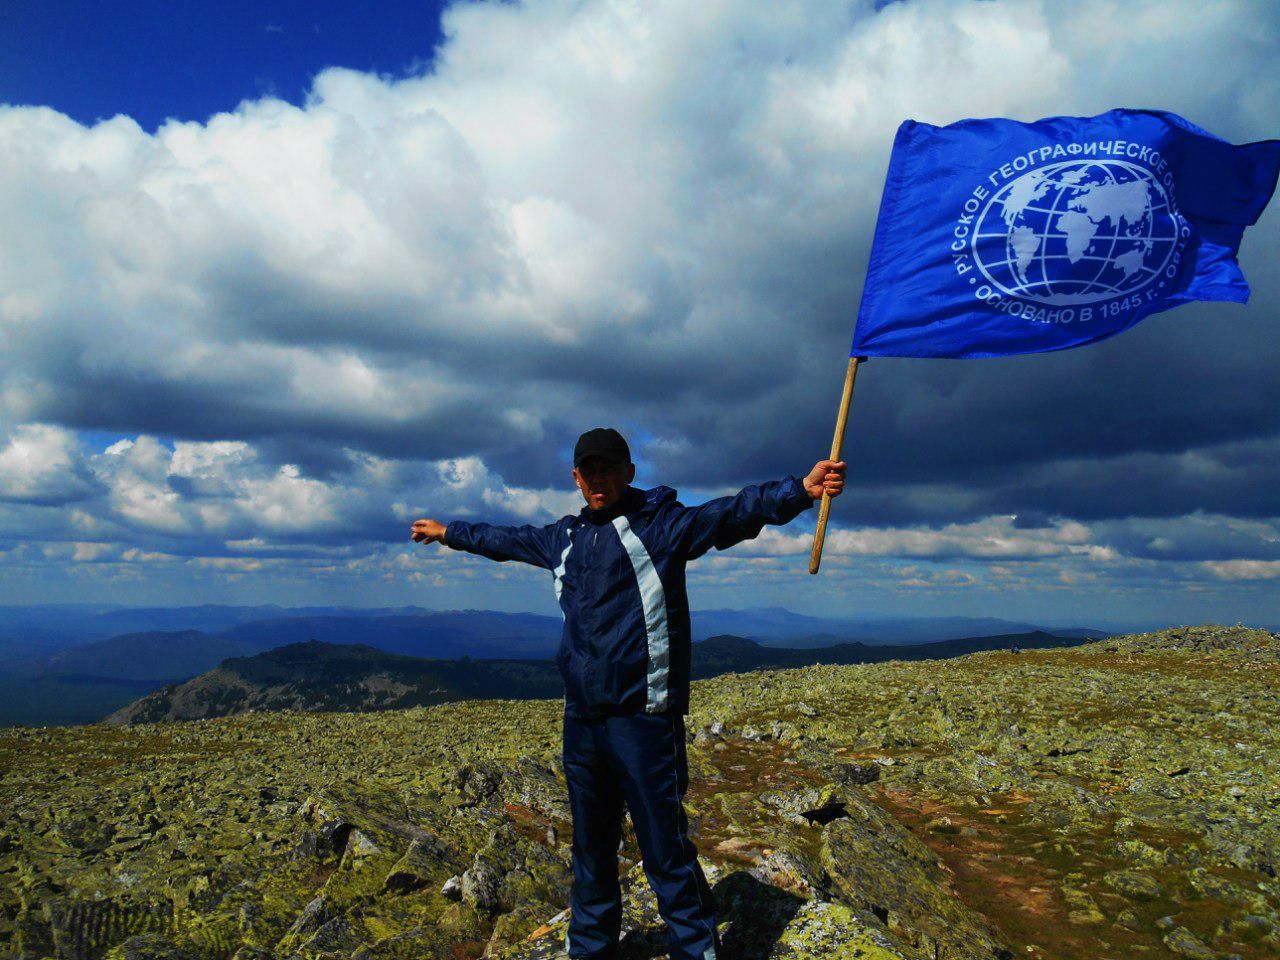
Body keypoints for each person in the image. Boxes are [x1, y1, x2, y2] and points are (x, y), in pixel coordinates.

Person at [410, 427, 846, 960]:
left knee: (664, 847)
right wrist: (448, 531)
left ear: (629, 472)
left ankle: (694, 949)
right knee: (591, 849)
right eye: (589, 471)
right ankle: (590, 949)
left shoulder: (660, 526)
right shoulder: (563, 538)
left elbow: (730, 514)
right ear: (576, 477)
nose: (599, 479)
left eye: (609, 468)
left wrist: (799, 490)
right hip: (583, 721)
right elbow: (505, 539)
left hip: (643, 719)